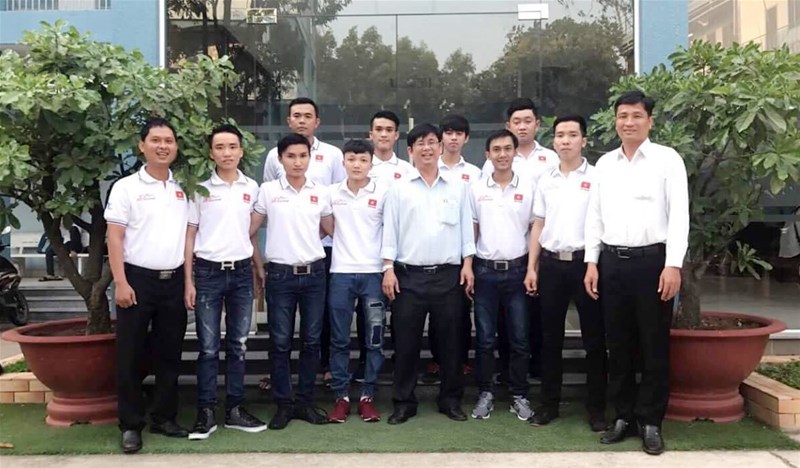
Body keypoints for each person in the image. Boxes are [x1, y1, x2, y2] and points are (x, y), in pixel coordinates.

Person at [584, 91, 689, 455]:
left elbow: (679, 215)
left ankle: (651, 421)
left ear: (650, 121)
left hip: (652, 264)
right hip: (612, 263)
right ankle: (623, 416)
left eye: (636, 115)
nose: (628, 122)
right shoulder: (604, 165)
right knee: (618, 345)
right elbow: (594, 216)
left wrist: (673, 264)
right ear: (615, 120)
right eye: (623, 116)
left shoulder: (667, 160)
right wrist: (592, 261)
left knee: (653, 344)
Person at [105, 118, 190, 454]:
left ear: (176, 146)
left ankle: (164, 417)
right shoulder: (126, 187)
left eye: (169, 140)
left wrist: (188, 282)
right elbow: (115, 237)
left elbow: (188, 236)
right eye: (156, 140)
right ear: (142, 146)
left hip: (173, 281)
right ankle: (130, 425)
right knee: (130, 354)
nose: (163, 146)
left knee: (169, 354)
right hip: (136, 280)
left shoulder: (184, 186)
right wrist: (120, 282)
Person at [381, 123, 475, 425]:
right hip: (408, 277)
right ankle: (403, 402)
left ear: (440, 147)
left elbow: (466, 230)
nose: (427, 148)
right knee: (406, 343)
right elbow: (390, 232)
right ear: (410, 150)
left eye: (432, 142)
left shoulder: (458, 187)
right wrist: (388, 268)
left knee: (451, 343)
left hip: (449, 276)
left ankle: (450, 400)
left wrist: (468, 264)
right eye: (420, 143)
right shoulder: (398, 189)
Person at [524, 115, 607, 431]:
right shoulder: (546, 179)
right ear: (554, 141)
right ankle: (549, 405)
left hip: (587, 264)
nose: (566, 140)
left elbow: (602, 223)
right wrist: (532, 268)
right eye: (560, 135)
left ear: (584, 140)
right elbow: (538, 224)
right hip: (551, 266)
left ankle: (596, 409)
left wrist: (593, 263)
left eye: (573, 135)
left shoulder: (598, 177)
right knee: (549, 339)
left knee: (594, 339)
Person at [184, 124, 266, 440]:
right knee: (208, 347)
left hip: (242, 273)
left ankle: (235, 409)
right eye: (220, 147)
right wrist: (189, 280)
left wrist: (258, 267)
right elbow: (190, 234)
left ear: (241, 151)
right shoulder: (200, 189)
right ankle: (205, 411)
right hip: (208, 273)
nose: (227, 153)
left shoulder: (252, 188)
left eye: (232, 147)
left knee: (238, 345)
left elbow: (250, 233)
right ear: (211, 153)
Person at [260, 97, 345, 390]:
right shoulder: (272, 166)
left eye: (307, 115)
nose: (301, 120)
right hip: (282, 265)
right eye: (296, 115)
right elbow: (265, 211)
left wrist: (312, 235)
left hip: (320, 257)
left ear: (316, 121)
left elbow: (336, 203)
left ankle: (315, 383)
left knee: (315, 332)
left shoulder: (331, 158)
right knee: (280, 337)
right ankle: (281, 392)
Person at [250, 133, 333, 430]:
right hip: (280, 275)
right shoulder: (268, 190)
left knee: (311, 341)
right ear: (280, 159)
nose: (297, 162)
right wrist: (258, 264)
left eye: (303, 156)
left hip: (314, 274)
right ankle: (283, 404)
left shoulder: (321, 191)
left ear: (310, 158)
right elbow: (250, 230)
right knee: (280, 341)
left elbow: (331, 229)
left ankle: (305, 403)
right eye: (291, 156)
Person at [487, 98, 556, 384]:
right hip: (510, 249)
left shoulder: (551, 159)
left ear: (537, 124)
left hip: (543, 246)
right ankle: (507, 369)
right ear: (508, 125)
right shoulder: (496, 159)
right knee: (507, 315)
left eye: (528, 121)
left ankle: (537, 366)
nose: (522, 126)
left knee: (538, 310)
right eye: (517, 122)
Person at [468, 129, 534, 422]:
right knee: (485, 339)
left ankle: (519, 394)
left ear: (515, 152)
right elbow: (472, 231)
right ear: (488, 155)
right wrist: (468, 265)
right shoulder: (476, 189)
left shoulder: (529, 188)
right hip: (485, 272)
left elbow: (534, 230)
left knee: (519, 338)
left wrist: (532, 268)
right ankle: (485, 393)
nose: (502, 154)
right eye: (496, 149)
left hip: (518, 271)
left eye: (508, 149)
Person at [326, 139, 389, 423]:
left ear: (371, 164)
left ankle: (367, 396)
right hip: (340, 273)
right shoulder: (331, 193)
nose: (357, 165)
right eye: (351, 159)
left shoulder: (383, 193)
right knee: (339, 339)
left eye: (363, 160)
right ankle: (341, 397)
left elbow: (390, 231)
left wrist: (387, 267)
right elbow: (326, 226)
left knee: (374, 340)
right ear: (343, 163)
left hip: (373, 274)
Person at [417, 114, 480, 385]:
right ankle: (435, 359)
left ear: (466, 138)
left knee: (460, 312)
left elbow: (474, 216)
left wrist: (469, 258)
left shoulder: (475, 173)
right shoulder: (425, 168)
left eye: (459, 133)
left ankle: (460, 360)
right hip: (429, 257)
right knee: (433, 315)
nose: (454, 138)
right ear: (441, 139)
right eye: (449, 133)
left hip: (460, 258)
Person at [368, 110, 415, 185]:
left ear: (396, 135)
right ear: (371, 135)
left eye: (389, 130)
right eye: (378, 129)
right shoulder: (360, 169)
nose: (383, 134)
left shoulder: (407, 170)